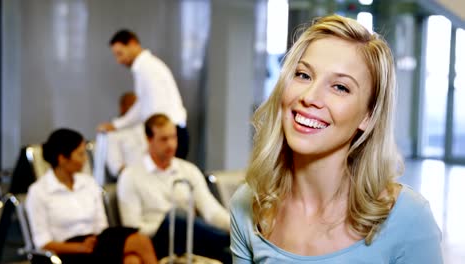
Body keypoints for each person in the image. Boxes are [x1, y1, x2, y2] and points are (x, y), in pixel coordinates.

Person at [230, 14, 442, 263]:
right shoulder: (247, 204)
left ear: (368, 116)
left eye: (340, 87)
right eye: (303, 75)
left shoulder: (409, 219)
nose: (310, 96)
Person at [26, 128, 158, 264]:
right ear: (62, 159)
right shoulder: (39, 192)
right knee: (140, 242)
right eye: (80, 154)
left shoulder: (88, 183)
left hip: (94, 243)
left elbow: (101, 225)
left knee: (132, 260)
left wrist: (93, 242)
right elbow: (42, 242)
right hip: (66, 251)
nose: (85, 160)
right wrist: (80, 247)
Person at [117, 114, 231, 263]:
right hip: (155, 241)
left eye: (173, 137)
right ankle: (230, 239)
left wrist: (235, 226)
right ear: (148, 139)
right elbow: (132, 227)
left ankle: (236, 238)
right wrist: (167, 225)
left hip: (190, 238)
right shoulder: (131, 176)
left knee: (229, 254)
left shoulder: (188, 170)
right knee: (176, 218)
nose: (171, 144)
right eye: (164, 139)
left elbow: (211, 210)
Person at [97, 29, 189, 159]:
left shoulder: (148, 68)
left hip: (166, 133)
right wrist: (117, 125)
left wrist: (150, 140)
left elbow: (155, 111)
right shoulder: (144, 68)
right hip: (166, 132)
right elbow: (142, 106)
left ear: (133, 43)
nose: (119, 60)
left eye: (120, 54)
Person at [106, 91, 148, 177]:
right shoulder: (113, 133)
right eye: (133, 106)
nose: (136, 111)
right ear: (122, 107)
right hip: (129, 179)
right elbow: (116, 167)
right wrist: (134, 177)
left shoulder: (145, 127)